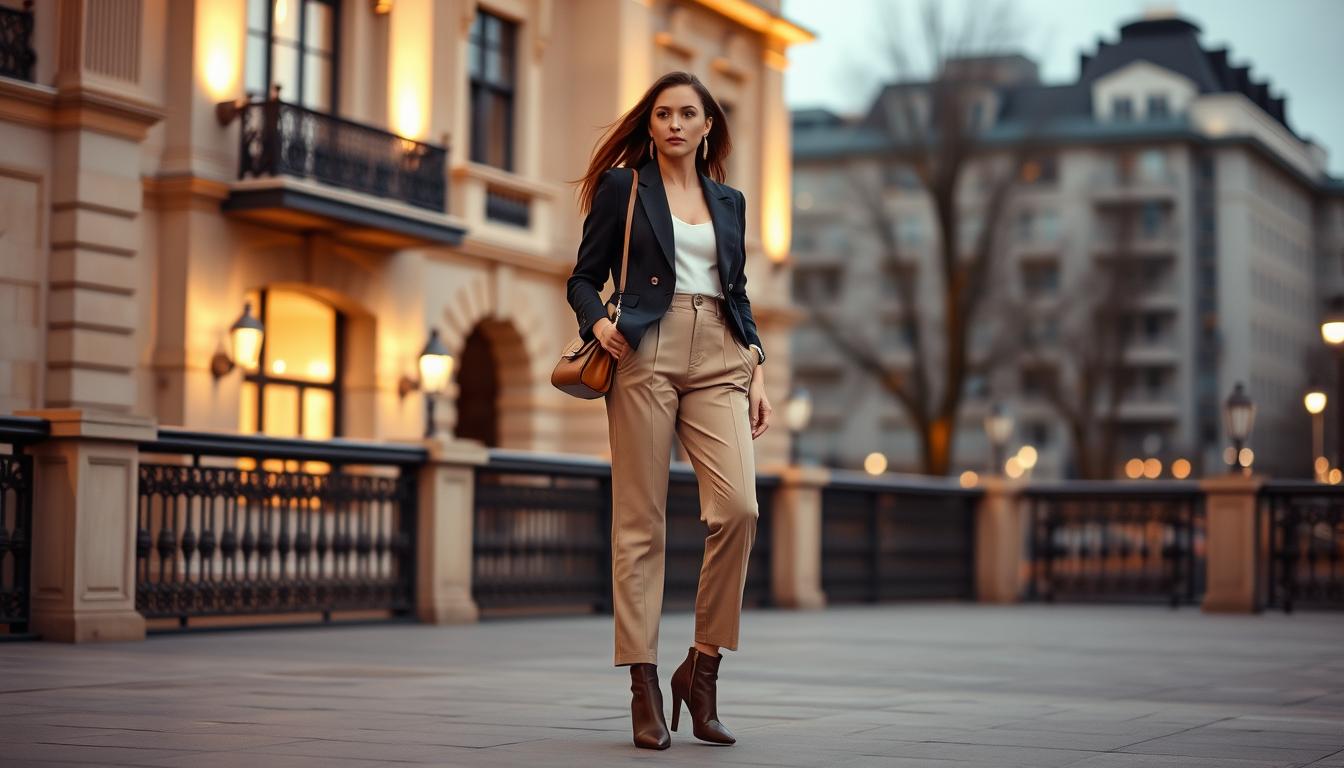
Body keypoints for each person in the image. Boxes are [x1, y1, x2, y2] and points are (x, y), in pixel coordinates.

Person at [567, 71, 772, 750]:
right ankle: (644, 684)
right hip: (643, 350)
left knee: (738, 508)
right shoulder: (626, 188)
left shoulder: (730, 201)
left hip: (720, 350)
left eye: (689, 113)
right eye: (664, 114)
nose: (676, 124)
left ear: (708, 124)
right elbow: (583, 276)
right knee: (640, 524)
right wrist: (598, 325)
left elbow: (736, 293)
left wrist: (758, 367)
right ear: (650, 125)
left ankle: (702, 669)